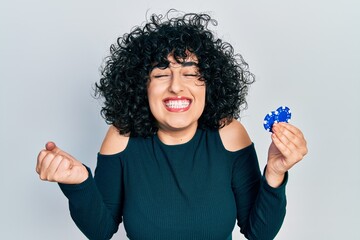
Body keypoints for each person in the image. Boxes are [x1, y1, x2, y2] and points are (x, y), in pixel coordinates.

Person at [36, 11, 307, 240]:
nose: (176, 86)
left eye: (190, 73)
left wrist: (275, 173)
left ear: (209, 84)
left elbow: (259, 232)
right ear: (142, 86)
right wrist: (79, 182)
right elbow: (101, 230)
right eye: (162, 74)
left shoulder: (230, 134)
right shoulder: (121, 137)